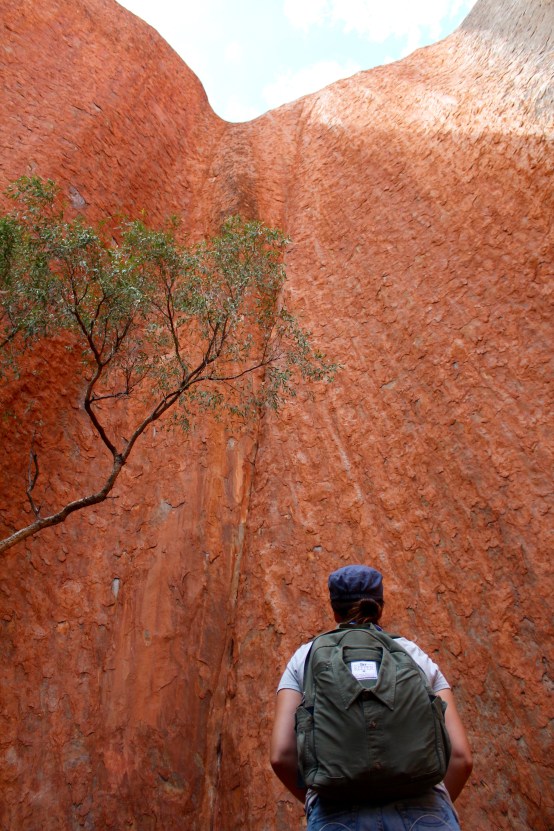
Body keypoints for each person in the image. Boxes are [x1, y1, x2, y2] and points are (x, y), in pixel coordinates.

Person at [270, 564, 473, 830]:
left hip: (336, 813)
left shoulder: (304, 658)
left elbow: (281, 755)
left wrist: (317, 801)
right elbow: (461, 758)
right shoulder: (414, 655)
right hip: (424, 811)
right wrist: (435, 806)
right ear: (380, 606)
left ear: (334, 609)